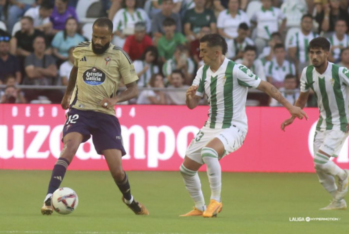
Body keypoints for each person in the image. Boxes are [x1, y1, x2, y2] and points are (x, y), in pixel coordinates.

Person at [180, 34, 307, 218]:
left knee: (209, 152)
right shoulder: (202, 72)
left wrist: (289, 106)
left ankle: (215, 201)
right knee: (186, 169)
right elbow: (192, 105)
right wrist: (188, 96)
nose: (200, 54)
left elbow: (265, 86)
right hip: (211, 126)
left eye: (204, 51)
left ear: (217, 53)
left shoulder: (235, 70)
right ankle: (199, 207)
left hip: (234, 126)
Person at [40, 17, 148, 215]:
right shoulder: (80, 49)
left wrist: (115, 99)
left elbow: (133, 89)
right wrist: (67, 95)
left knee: (117, 170)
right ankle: (48, 198)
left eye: (102, 38)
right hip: (79, 111)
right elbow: (75, 70)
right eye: (95, 37)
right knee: (68, 148)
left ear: (111, 36)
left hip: (105, 115)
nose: (98, 42)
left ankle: (130, 199)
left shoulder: (120, 56)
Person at [282, 37, 349, 210]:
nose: (314, 56)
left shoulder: (340, 72)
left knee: (320, 160)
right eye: (312, 52)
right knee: (319, 167)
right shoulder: (307, 73)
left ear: (327, 53)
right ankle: (338, 201)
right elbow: (302, 98)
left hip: (341, 122)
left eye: (318, 52)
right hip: (323, 123)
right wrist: (292, 114)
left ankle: (344, 175)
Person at [23, 35, 62, 104]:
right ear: (33, 45)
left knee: (59, 95)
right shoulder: (29, 58)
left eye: (42, 43)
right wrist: (46, 70)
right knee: (27, 94)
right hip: (33, 87)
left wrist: (37, 69)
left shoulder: (50, 58)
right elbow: (31, 74)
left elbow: (53, 73)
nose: (41, 45)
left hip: (48, 87)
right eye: (38, 43)